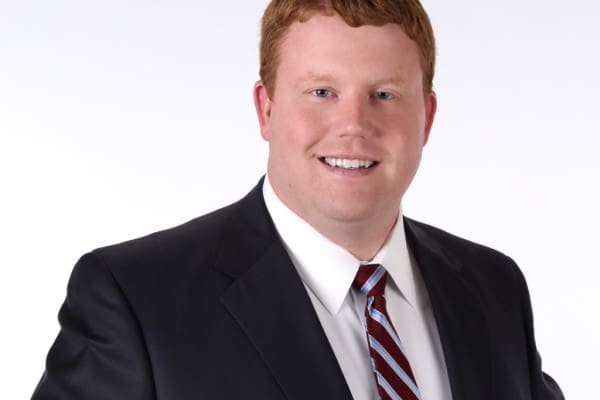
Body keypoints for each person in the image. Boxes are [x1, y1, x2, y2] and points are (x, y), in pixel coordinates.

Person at [32, 1, 564, 399]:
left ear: (426, 118)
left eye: (384, 94)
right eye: (321, 92)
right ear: (265, 109)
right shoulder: (137, 300)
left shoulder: (494, 289)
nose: (353, 125)